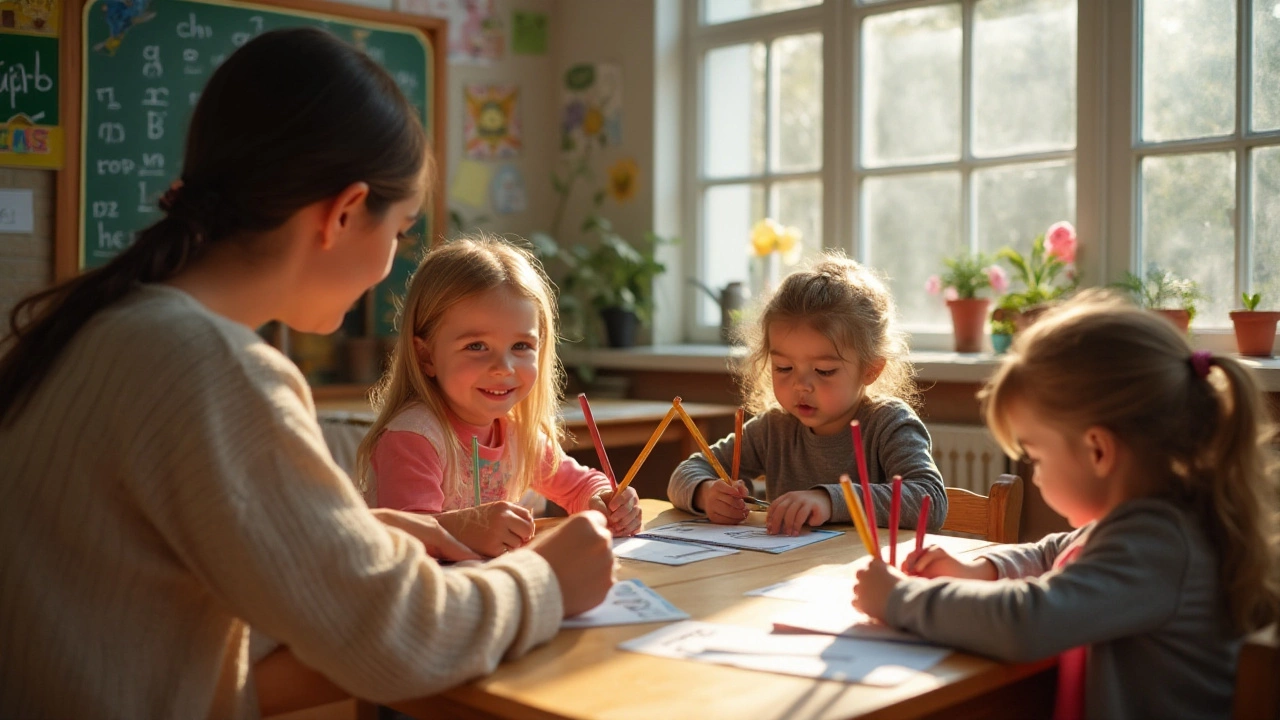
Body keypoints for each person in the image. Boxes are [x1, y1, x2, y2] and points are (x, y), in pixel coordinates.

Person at [0, 27, 614, 718]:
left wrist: (361, 532)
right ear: (345, 212)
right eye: (402, 230)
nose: (391, 264)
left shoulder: (105, 326)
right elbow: (394, 639)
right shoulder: (212, 368)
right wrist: (548, 580)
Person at [852, 291, 1280, 719]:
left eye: (1036, 457)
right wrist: (982, 569)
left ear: (1098, 451)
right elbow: (1058, 550)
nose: (1033, 475)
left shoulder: (1157, 545)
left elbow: (1027, 623)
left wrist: (898, 598)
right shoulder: (1154, 521)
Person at [357, 234, 642, 556]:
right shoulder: (413, 437)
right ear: (426, 357)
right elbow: (406, 537)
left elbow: (579, 485)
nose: (503, 368)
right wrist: (467, 527)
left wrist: (603, 500)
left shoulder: (517, 432)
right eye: (476, 346)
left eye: (521, 346)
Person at [668, 254, 947, 535]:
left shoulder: (888, 425)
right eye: (784, 367)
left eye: (824, 370)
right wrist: (706, 494)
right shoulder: (774, 429)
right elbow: (684, 474)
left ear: (871, 369)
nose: (801, 385)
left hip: (866, 574)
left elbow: (930, 501)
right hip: (787, 573)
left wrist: (829, 500)